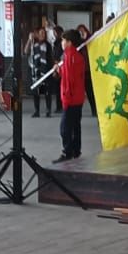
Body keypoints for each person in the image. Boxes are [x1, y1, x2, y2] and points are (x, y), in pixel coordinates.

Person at [54, 30, 86, 163]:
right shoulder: (76, 56)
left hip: (71, 98)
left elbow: (69, 81)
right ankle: (76, 151)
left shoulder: (69, 56)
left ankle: (67, 152)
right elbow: (70, 75)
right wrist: (60, 70)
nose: (62, 43)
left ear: (69, 42)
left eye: (63, 40)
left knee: (65, 128)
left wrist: (66, 100)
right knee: (75, 125)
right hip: (78, 97)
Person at [28, 27, 57, 118]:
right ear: (37, 34)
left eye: (43, 33)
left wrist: (54, 69)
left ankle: (48, 110)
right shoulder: (34, 44)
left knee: (47, 92)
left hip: (46, 70)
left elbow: (51, 57)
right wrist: (29, 40)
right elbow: (25, 51)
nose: (42, 35)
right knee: (36, 92)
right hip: (36, 71)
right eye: (40, 33)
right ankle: (37, 111)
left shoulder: (48, 45)